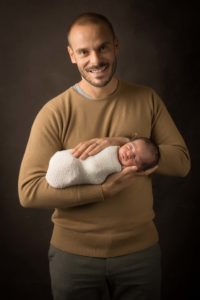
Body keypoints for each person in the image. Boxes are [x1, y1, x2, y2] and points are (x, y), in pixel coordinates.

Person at [18, 12, 191, 300]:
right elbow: (29, 191)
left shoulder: (146, 98)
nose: (95, 60)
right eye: (84, 52)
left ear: (116, 46)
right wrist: (101, 191)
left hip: (140, 255)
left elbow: (181, 162)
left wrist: (127, 141)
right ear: (72, 55)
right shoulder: (54, 112)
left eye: (103, 47)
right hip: (73, 258)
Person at [46, 137, 160, 188]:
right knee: (72, 162)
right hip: (67, 158)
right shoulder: (110, 145)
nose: (129, 154)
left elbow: (105, 181)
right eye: (130, 147)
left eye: (135, 159)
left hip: (78, 175)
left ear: (137, 168)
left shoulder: (121, 173)